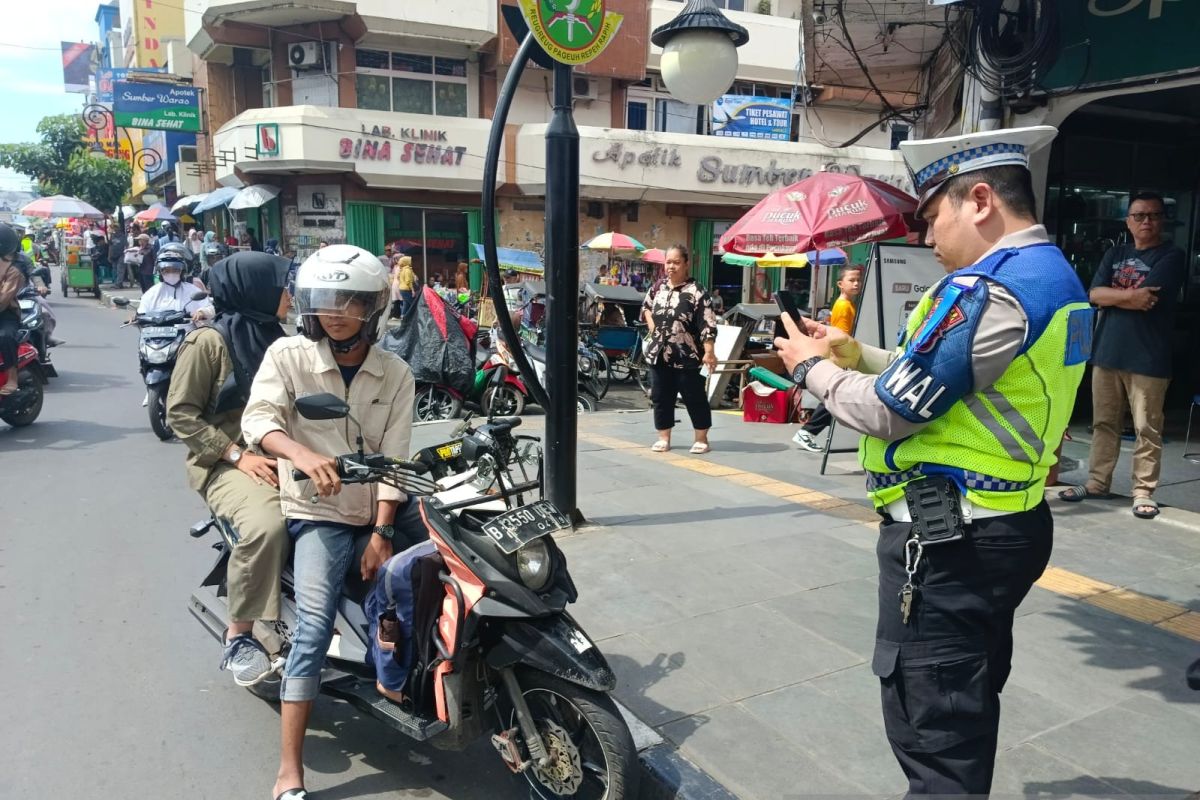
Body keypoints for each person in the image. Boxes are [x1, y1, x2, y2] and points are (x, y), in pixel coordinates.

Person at [774, 126, 1091, 797]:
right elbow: (947, 384)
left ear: (978, 200)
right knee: (964, 704)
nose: (925, 236)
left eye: (931, 216)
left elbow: (892, 411)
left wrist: (809, 371)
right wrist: (854, 357)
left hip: (950, 544)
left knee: (934, 732)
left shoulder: (986, 290)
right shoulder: (1052, 276)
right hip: (1002, 524)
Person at [241, 245, 420, 800]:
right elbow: (259, 419)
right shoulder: (288, 356)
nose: (335, 311)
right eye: (324, 300)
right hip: (318, 511)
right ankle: (289, 770)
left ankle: (404, 674)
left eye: (349, 300)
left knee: (455, 571)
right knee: (315, 625)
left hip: (379, 505)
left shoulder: (396, 373)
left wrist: (384, 530)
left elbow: (396, 456)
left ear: (373, 307)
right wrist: (299, 453)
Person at [165, 251, 295, 687]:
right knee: (267, 525)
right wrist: (238, 455)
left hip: (282, 452)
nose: (289, 295)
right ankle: (239, 635)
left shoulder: (280, 337)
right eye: (282, 286)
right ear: (254, 288)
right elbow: (180, 415)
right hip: (226, 462)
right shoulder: (208, 342)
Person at [1058, 191, 1186, 519]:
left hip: (1148, 357)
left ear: (1162, 220)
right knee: (1104, 423)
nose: (1146, 221)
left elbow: (1146, 299)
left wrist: (1111, 296)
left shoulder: (1171, 256)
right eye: (1139, 215)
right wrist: (1125, 296)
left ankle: (1143, 492)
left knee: (1147, 427)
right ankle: (1098, 482)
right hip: (1106, 352)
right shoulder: (1115, 253)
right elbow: (1093, 294)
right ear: (1128, 221)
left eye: (1153, 215)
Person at [641, 244, 717, 454]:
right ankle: (664, 438)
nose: (671, 267)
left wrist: (709, 352)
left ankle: (701, 438)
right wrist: (652, 326)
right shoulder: (657, 287)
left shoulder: (697, 291)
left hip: (688, 355)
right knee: (661, 396)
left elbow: (708, 324)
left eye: (676, 262)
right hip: (658, 353)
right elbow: (646, 307)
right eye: (668, 262)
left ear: (686, 264)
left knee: (694, 396)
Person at [793, 264, 863, 451]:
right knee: (834, 400)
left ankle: (808, 432)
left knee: (835, 399)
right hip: (841, 357)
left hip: (841, 357)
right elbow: (842, 335)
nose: (856, 284)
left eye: (858, 280)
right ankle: (807, 432)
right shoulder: (843, 306)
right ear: (840, 284)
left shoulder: (846, 304)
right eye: (851, 280)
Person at [136, 243, 214, 321]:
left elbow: (210, 309)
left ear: (182, 271)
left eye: (175, 270)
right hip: (158, 331)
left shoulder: (192, 290)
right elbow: (142, 312)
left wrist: (202, 312)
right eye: (166, 270)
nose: (171, 273)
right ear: (160, 272)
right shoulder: (152, 293)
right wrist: (136, 317)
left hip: (189, 331)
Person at [0, 224, 24, 394]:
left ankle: (12, 377)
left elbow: (4, 299)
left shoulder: (12, 271)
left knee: (5, 336)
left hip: (6, 314)